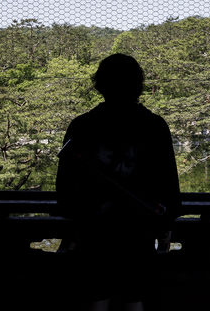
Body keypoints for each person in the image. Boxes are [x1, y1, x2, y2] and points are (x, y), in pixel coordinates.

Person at [56, 53, 181, 311]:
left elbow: (65, 186)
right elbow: (168, 182)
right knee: (134, 299)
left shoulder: (82, 126)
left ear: (99, 84)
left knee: (96, 297)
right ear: (138, 85)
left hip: (94, 228)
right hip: (139, 228)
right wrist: (165, 222)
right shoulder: (154, 126)